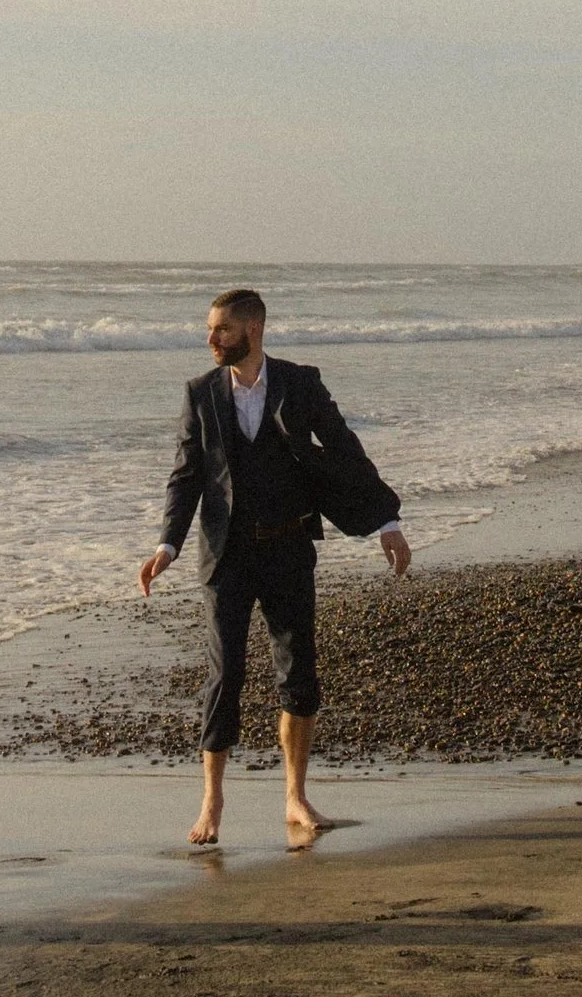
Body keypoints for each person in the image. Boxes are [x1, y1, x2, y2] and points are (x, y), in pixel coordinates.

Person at [138, 286, 410, 850]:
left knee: (298, 673)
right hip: (226, 555)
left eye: (221, 330)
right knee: (224, 675)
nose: (210, 339)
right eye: (210, 329)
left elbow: (345, 449)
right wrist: (167, 544)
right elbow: (186, 476)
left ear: (253, 328)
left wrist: (386, 520)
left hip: (288, 549)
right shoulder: (200, 394)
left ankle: (295, 794)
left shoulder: (299, 383)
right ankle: (212, 801)